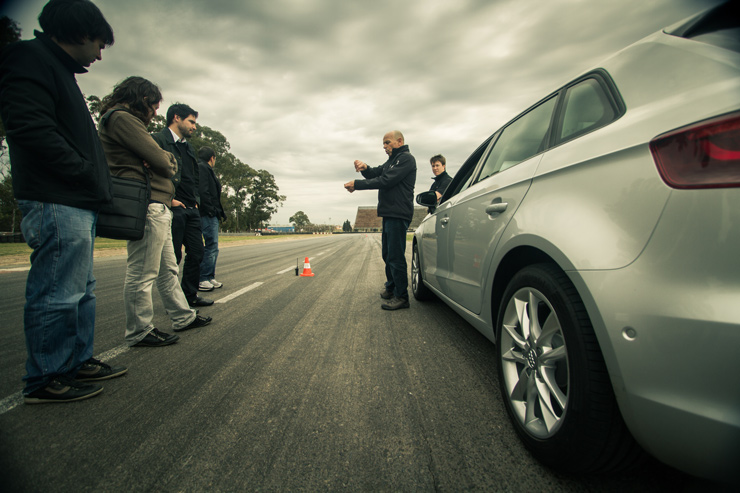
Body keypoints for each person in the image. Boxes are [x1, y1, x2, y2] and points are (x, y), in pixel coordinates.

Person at [0, 0, 126, 404]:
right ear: (80, 32)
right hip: (56, 196)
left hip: (76, 198)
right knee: (58, 290)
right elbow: (30, 127)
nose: (100, 54)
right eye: (99, 43)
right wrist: (85, 171)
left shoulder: (60, 71)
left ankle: (75, 359)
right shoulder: (29, 58)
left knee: (81, 288)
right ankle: (46, 376)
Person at [98, 77, 213, 347]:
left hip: (159, 203)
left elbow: (161, 160)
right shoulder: (123, 119)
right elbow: (162, 160)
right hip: (148, 203)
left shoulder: (128, 122)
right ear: (141, 98)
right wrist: (164, 160)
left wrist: (162, 161)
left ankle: (182, 316)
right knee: (142, 271)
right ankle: (139, 330)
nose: (154, 112)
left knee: (167, 269)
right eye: (153, 105)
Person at [345, 130, 416, 310]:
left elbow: (385, 180)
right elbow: (377, 172)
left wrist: (357, 184)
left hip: (398, 213)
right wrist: (365, 168)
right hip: (389, 213)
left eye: (387, 143)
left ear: (399, 141)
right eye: (383, 144)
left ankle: (402, 297)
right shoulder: (392, 161)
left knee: (395, 255)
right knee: (387, 254)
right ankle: (391, 287)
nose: (384, 147)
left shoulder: (406, 159)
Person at [151, 104, 213, 307]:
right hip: (171, 208)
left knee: (197, 253)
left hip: (190, 208)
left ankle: (190, 296)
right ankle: (174, 304)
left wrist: (196, 200)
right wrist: (169, 200)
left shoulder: (188, 147)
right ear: (176, 118)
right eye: (191, 122)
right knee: (173, 258)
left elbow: (193, 176)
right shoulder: (158, 140)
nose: (195, 127)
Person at [197, 146, 227, 291]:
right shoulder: (203, 168)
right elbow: (204, 191)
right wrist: (211, 210)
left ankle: (210, 276)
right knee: (211, 246)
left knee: (213, 247)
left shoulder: (206, 169)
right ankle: (203, 278)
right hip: (207, 214)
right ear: (212, 158)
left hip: (211, 213)